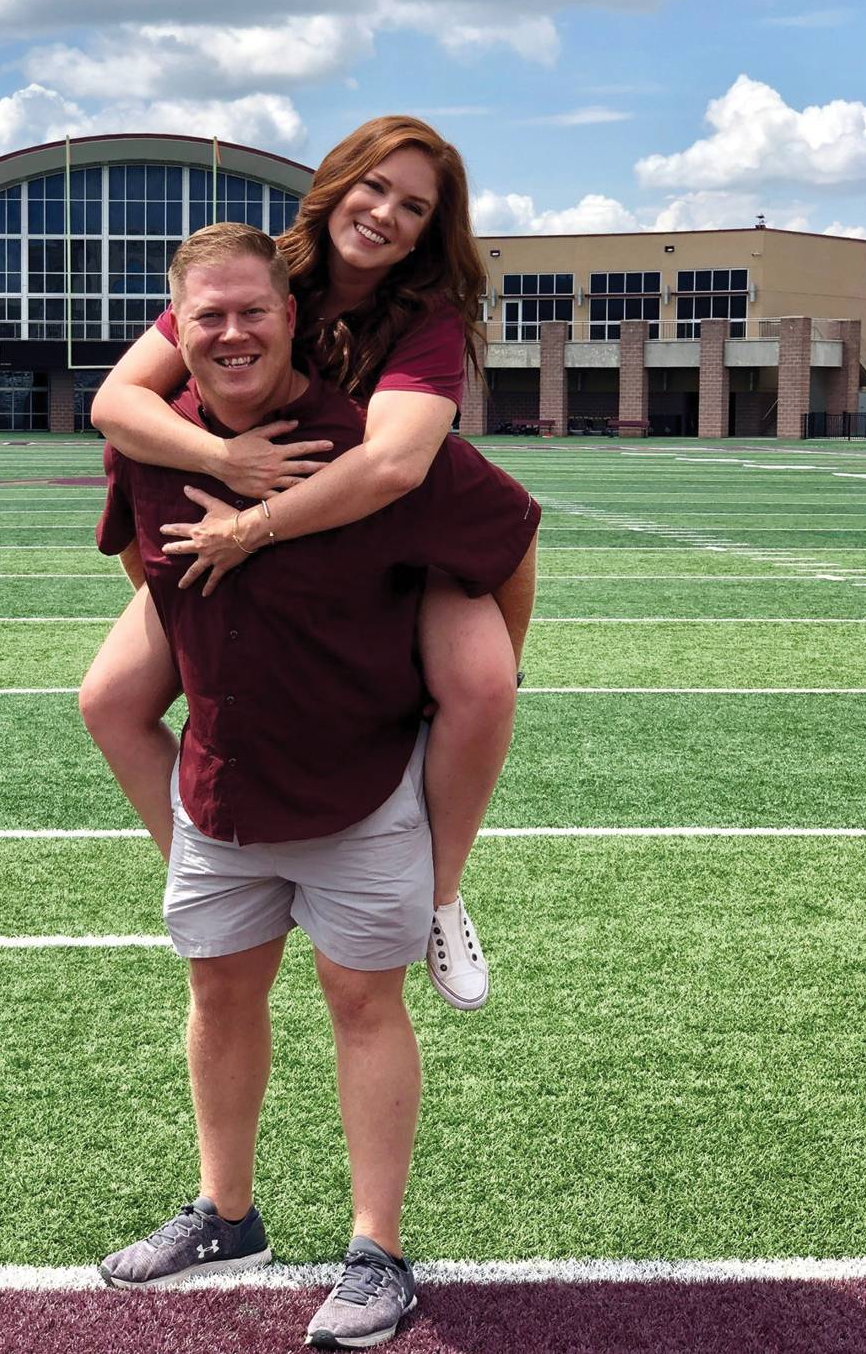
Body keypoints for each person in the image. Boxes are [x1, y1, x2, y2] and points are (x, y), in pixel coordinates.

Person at [91, 223, 540, 1350]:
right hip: (224, 792)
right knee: (218, 998)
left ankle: (376, 1249)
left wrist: (489, 675)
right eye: (208, 316)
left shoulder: (380, 448)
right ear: (174, 331)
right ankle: (225, 1212)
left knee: (362, 1004)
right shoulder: (149, 447)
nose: (232, 331)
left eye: (254, 310)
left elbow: (510, 529)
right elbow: (148, 581)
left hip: (359, 792)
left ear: (296, 317)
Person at [83, 115, 536, 1012]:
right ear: (337, 181)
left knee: (483, 683)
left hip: (388, 530)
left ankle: (438, 892)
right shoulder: (255, 271)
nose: (384, 215)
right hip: (244, 526)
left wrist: (252, 526)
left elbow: (393, 466)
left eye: (413, 206)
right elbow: (114, 400)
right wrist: (222, 464)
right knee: (108, 699)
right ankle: (213, 866)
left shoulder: (424, 317)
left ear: (430, 228)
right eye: (374, 186)